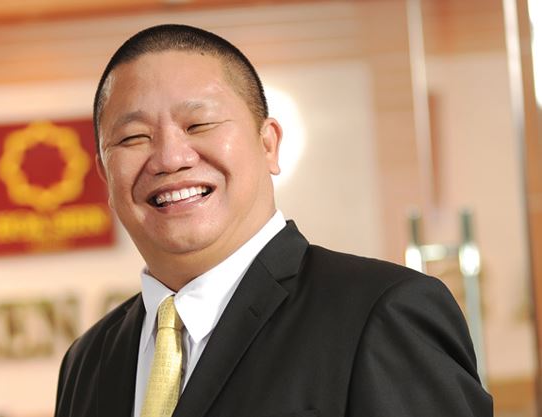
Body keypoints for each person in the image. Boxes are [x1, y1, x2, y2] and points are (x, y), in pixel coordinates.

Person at [54, 24, 492, 417]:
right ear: (105, 175)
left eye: (198, 124)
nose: (170, 158)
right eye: (134, 137)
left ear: (268, 144)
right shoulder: (87, 361)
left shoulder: (380, 314)